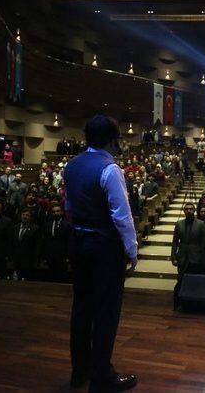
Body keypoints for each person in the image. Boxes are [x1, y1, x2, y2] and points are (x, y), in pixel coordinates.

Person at [64, 115, 138, 391]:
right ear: (111, 139)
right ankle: (102, 376)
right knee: (106, 311)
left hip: (78, 242)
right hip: (104, 248)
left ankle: (79, 371)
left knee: (81, 307)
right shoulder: (110, 169)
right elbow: (122, 216)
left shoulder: (71, 165)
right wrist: (132, 251)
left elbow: (69, 207)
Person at [171, 202, 205, 299]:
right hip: (182, 255)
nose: (189, 211)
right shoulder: (179, 224)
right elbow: (174, 242)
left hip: (195, 256)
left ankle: (193, 298)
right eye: (187, 209)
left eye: (191, 209)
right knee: (181, 278)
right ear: (184, 211)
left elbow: (204, 243)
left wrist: (202, 257)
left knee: (194, 278)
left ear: (194, 211)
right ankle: (179, 298)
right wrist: (173, 257)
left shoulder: (201, 224)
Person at [42, 204, 72, 282]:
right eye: (54, 212)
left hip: (62, 255)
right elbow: (46, 241)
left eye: (58, 211)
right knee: (51, 278)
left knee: (62, 277)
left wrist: (68, 256)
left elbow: (69, 241)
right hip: (51, 256)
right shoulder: (48, 224)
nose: (56, 213)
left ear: (61, 212)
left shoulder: (67, 225)